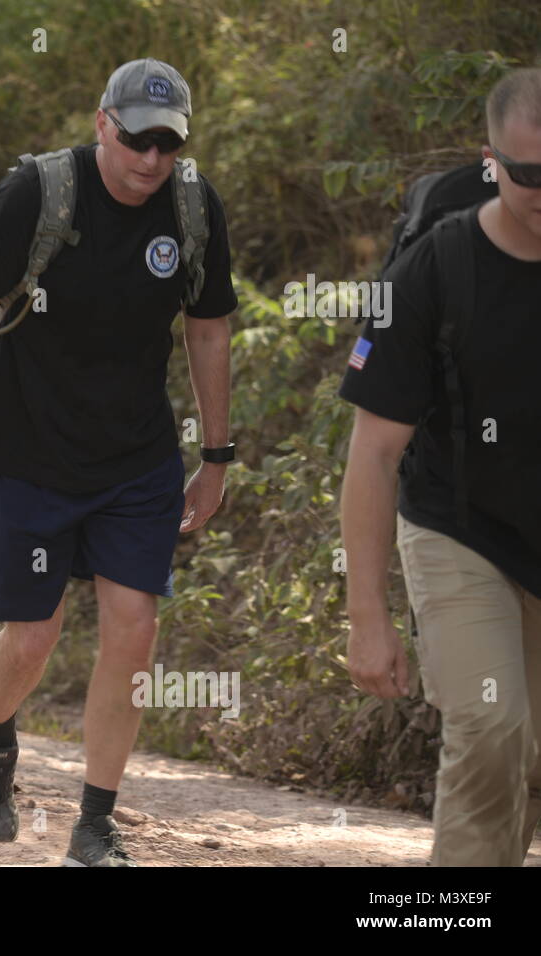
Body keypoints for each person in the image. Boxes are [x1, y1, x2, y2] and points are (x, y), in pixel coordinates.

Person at [0, 58, 238, 866]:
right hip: (27, 457)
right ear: (103, 122)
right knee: (33, 636)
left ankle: (96, 821)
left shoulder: (194, 208)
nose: (150, 160)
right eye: (136, 140)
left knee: (134, 628)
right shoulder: (35, 195)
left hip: (135, 462)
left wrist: (217, 456)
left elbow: (208, 331)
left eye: (167, 144)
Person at [341, 68, 541, 867]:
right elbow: (375, 453)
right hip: (461, 527)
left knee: (528, 757)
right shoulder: (432, 271)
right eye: (527, 174)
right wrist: (368, 618)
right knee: (492, 726)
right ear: (489, 161)